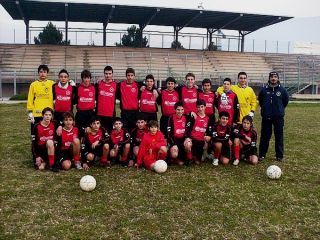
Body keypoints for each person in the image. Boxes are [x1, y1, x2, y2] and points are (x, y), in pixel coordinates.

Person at [258, 71, 289, 161]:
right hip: (266, 117)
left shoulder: (282, 90)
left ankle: (279, 156)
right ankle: (262, 154)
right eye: (271, 77)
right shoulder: (264, 90)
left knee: (279, 136)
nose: (273, 78)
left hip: (278, 118)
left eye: (275, 77)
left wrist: (279, 110)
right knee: (265, 136)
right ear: (269, 78)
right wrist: (265, 110)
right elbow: (261, 101)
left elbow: (285, 101)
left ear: (278, 78)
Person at [27, 64, 55, 133]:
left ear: (47, 73)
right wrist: (30, 113)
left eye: (44, 72)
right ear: (38, 73)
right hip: (37, 113)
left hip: (49, 113)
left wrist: (71, 84)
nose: (43, 74)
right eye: (41, 72)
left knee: (49, 133)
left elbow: (62, 88)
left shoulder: (52, 84)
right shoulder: (33, 84)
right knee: (36, 134)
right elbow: (30, 99)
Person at [184, 99, 209, 165]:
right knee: (188, 144)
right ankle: (190, 158)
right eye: (198, 107)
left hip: (201, 141)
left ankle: (204, 154)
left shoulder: (208, 118)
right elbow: (188, 129)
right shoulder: (193, 116)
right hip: (193, 140)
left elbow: (209, 131)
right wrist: (188, 138)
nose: (200, 109)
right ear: (196, 107)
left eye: (202, 107)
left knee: (198, 162)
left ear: (205, 107)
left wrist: (207, 140)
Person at [95, 65, 117, 132]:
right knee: (99, 131)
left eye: (109, 73)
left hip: (110, 113)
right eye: (106, 73)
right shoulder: (99, 84)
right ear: (104, 74)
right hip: (100, 113)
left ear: (112, 74)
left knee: (109, 132)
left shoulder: (115, 85)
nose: (108, 75)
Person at [75, 69, 96, 138]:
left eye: (88, 78)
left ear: (90, 78)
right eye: (85, 78)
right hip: (80, 113)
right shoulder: (77, 88)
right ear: (82, 79)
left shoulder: (94, 87)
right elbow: (75, 100)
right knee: (80, 132)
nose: (86, 80)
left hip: (90, 113)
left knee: (90, 132)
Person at [167, 102, 187, 166]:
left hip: (183, 140)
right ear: (175, 110)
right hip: (175, 140)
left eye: (182, 109)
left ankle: (189, 157)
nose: (180, 111)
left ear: (184, 110)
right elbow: (169, 134)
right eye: (178, 109)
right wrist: (173, 144)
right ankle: (172, 158)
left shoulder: (186, 117)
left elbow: (188, 130)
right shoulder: (171, 118)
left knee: (189, 144)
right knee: (174, 154)